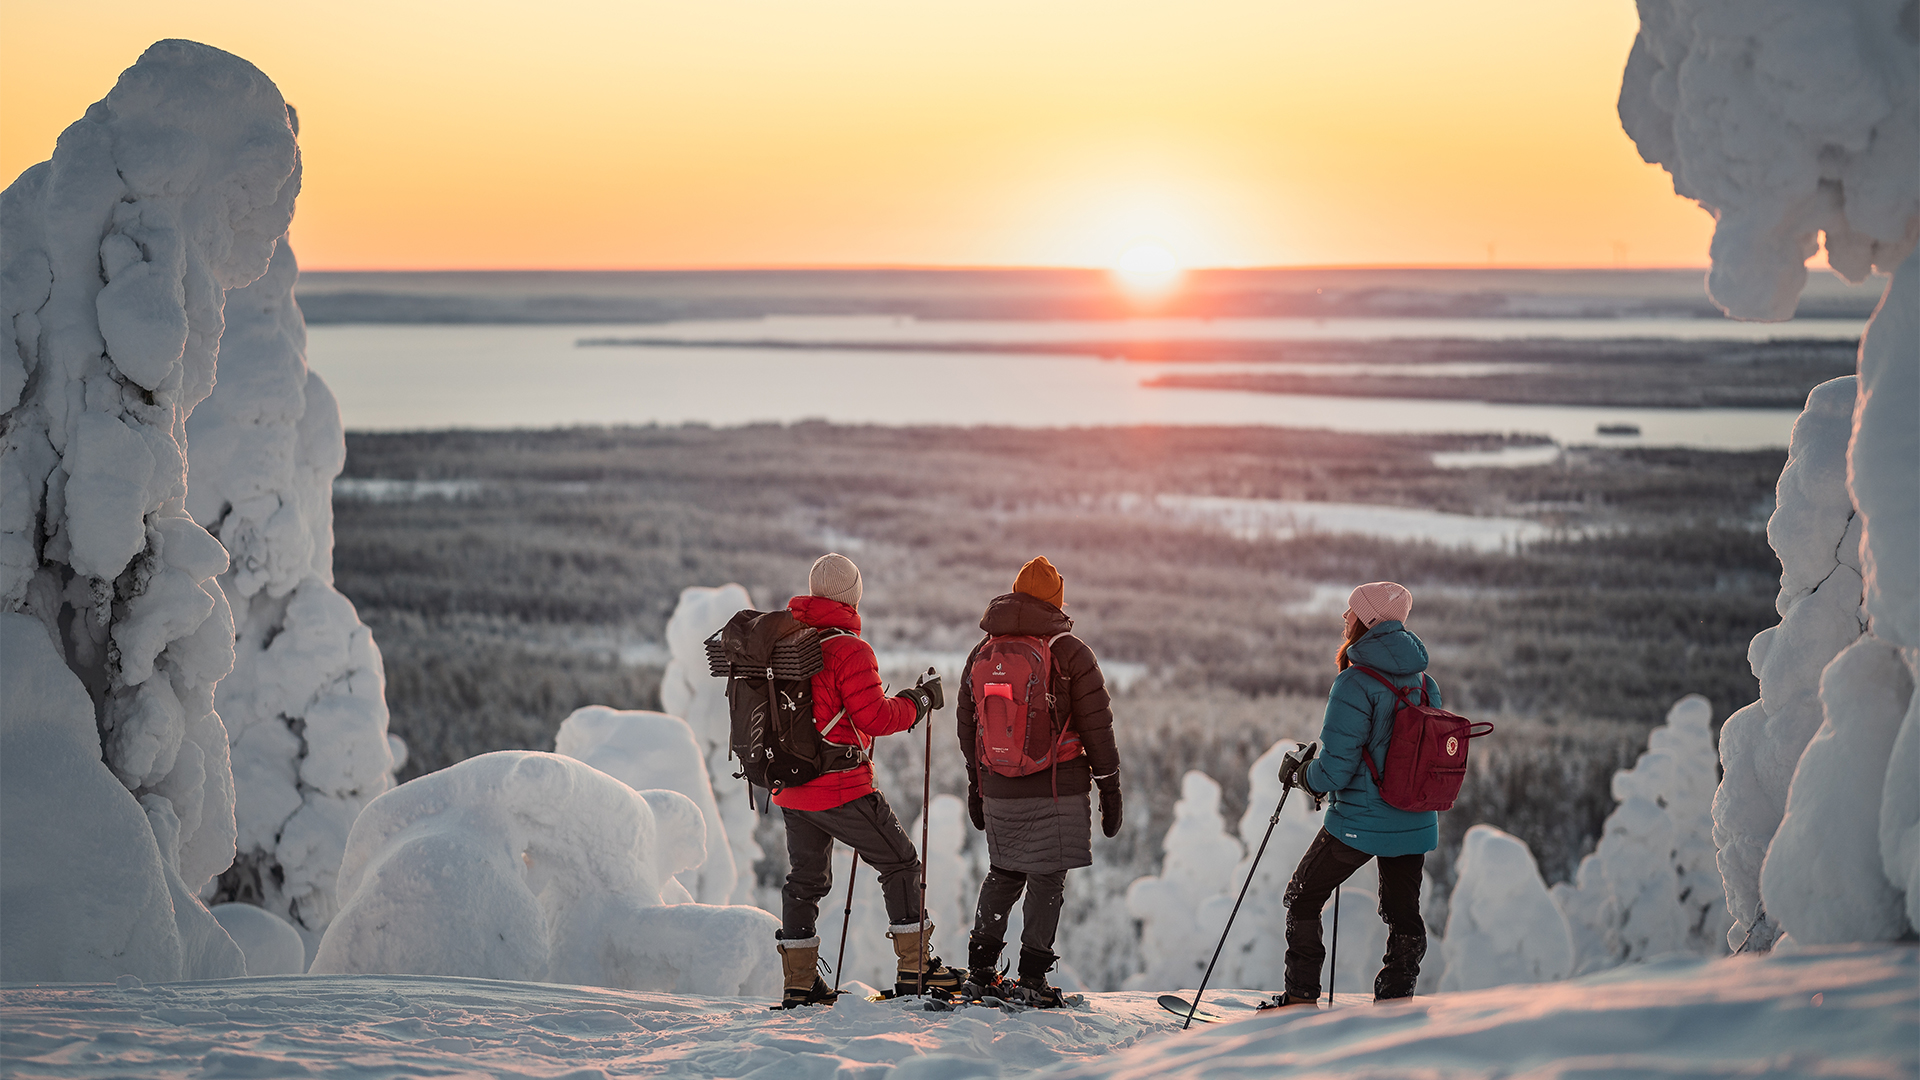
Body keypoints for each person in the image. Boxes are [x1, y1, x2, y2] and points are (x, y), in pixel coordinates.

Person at [772, 553, 964, 1007]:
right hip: (840, 787)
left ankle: (799, 982)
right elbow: (875, 718)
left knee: (805, 880)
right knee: (900, 863)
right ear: (853, 595)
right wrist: (917, 702)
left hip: (792, 787)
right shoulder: (849, 649)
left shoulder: (784, 642)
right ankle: (916, 969)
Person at [955, 556, 1122, 1007]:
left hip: (999, 785)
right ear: (1056, 602)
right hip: (1057, 787)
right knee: (1047, 880)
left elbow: (967, 722)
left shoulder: (983, 651)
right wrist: (1110, 787)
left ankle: (981, 972)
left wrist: (978, 784)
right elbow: (1096, 727)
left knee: (1003, 873)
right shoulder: (1071, 653)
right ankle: (1032, 980)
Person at [1266, 581, 1436, 1008]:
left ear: (1368, 621)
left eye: (1351, 611)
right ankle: (1396, 1001)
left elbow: (1335, 771)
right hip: (1415, 820)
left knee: (1302, 898)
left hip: (1360, 821)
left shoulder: (1355, 683)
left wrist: (1302, 775)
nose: (1345, 617)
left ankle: (1300, 997)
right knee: (1403, 916)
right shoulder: (1422, 681)